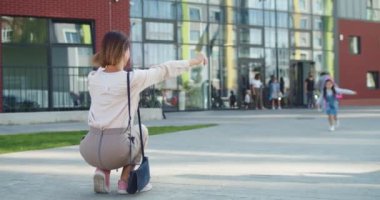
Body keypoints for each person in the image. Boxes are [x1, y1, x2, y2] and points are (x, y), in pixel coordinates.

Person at [79, 31, 207, 194]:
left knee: (109, 142)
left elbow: (103, 68)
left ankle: (102, 171)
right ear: (124, 52)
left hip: (89, 148)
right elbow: (165, 70)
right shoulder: (132, 79)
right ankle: (124, 181)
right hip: (116, 149)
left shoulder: (93, 77)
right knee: (142, 131)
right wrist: (195, 61)